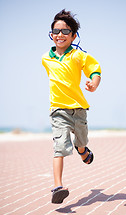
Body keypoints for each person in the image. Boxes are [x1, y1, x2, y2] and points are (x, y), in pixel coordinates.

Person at [42, 9, 101, 204]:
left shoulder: (78, 55)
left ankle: (83, 150)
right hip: (58, 109)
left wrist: (94, 82)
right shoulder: (46, 58)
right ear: (51, 35)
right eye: (56, 31)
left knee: (81, 140)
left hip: (79, 108)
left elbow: (94, 69)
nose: (60, 35)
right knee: (59, 147)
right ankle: (58, 186)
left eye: (65, 31)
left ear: (73, 35)